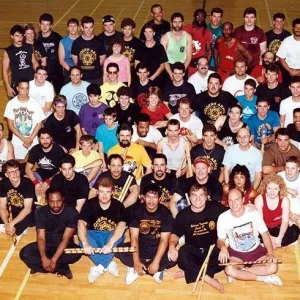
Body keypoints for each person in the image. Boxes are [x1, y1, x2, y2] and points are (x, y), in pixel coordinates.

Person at [217, 188, 283, 287]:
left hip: (256, 251)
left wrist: (270, 254)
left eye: (237, 199)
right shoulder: (223, 217)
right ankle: (263, 278)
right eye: (230, 200)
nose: (233, 203)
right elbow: (220, 240)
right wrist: (222, 247)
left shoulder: (253, 213)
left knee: (273, 267)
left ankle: (242, 272)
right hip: (236, 254)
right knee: (228, 269)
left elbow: (265, 234)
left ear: (243, 199)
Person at [168, 184, 225, 292]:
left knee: (224, 259)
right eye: (194, 195)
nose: (198, 199)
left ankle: (191, 272)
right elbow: (175, 235)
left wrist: (247, 207)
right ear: (189, 197)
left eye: (201, 195)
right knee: (182, 255)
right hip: (192, 250)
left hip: (211, 249)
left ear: (206, 196)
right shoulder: (183, 215)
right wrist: (171, 246)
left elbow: (232, 212)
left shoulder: (215, 208)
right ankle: (208, 278)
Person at [116, 183, 175, 285]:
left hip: (158, 247)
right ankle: (149, 269)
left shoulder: (166, 213)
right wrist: (136, 260)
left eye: (154, 197)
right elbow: (134, 237)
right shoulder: (136, 211)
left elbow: (164, 240)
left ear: (159, 198)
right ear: (143, 197)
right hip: (141, 246)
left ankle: (141, 269)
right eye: (148, 197)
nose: (151, 201)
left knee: (174, 257)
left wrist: (156, 261)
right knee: (119, 250)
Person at [19, 188, 81, 278]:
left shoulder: (72, 213)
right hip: (46, 243)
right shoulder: (40, 212)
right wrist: (43, 257)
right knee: (24, 254)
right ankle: (61, 267)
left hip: (64, 245)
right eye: (52, 201)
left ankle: (43, 267)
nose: (55, 205)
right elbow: (41, 237)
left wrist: (54, 259)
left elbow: (66, 239)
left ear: (63, 199)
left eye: (58, 201)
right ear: (47, 200)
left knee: (77, 254)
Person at [78, 177, 127, 283]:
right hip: (94, 235)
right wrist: (86, 243)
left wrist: (110, 243)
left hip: (111, 235)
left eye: (107, 192)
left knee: (118, 235)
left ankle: (99, 267)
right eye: (101, 192)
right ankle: (108, 263)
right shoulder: (90, 204)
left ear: (112, 192)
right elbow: (81, 223)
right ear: (97, 192)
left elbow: (122, 225)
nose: (104, 195)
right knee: (82, 239)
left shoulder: (119, 205)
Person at [4, 80, 45, 159]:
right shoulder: (11, 104)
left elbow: (39, 123)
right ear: (17, 88)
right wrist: (23, 138)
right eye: (22, 88)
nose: (25, 91)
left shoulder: (34, 103)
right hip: (18, 140)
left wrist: (30, 139)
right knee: (18, 163)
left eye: (27, 88)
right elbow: (10, 125)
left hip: (33, 140)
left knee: (35, 163)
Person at [255, 174, 299, 248]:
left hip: (279, 226)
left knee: (295, 233)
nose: (272, 192)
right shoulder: (259, 199)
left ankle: (290, 225)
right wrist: (269, 238)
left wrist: (279, 238)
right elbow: (260, 223)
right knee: (256, 237)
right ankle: (275, 243)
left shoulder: (285, 200)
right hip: (265, 227)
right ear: (265, 188)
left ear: (279, 189)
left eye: (275, 189)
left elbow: (284, 221)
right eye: (269, 188)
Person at [25, 128, 65, 198]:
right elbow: (27, 169)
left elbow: (62, 170)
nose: (45, 141)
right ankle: (35, 202)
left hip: (55, 176)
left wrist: (48, 181)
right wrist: (36, 183)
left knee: (57, 184)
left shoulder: (58, 150)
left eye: (47, 138)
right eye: (42, 138)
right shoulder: (35, 149)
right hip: (40, 175)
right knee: (25, 178)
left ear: (51, 138)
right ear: (38, 139)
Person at [0, 160, 35, 236]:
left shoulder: (27, 183)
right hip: (13, 210)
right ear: (6, 174)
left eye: (16, 170)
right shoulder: (3, 183)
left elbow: (27, 209)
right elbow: (2, 207)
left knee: (18, 230)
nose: (15, 174)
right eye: (11, 172)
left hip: (27, 211)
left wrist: (12, 223)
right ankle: (6, 226)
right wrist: (7, 224)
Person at [3, 25, 37, 98]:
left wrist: (39, 75)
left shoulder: (30, 47)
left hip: (30, 82)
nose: (20, 38)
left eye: (21, 36)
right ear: (12, 36)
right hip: (17, 83)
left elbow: (34, 62)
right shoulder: (8, 51)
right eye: (17, 36)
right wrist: (8, 87)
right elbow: (5, 70)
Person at [71, 16, 106, 85]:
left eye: (90, 27)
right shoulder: (76, 42)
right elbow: (75, 61)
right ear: (82, 28)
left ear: (93, 27)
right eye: (86, 27)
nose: (88, 30)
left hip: (96, 77)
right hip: (82, 77)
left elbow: (102, 59)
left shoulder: (99, 41)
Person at [233, 7, 267, 71]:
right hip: (239, 66)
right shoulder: (237, 31)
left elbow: (263, 51)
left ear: (255, 19)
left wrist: (261, 66)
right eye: (247, 17)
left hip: (254, 66)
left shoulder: (260, 33)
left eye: (251, 17)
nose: (249, 20)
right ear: (244, 18)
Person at [135, 22, 168, 87]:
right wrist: (143, 77)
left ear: (154, 33)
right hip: (143, 80)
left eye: (150, 32)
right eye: (146, 32)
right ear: (144, 33)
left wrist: (152, 78)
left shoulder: (159, 46)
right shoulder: (140, 47)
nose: (148, 34)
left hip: (157, 79)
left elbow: (162, 66)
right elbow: (136, 64)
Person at [37, 13, 64, 94]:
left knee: (60, 93)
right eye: (42, 24)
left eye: (47, 24)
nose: (44, 27)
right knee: (43, 94)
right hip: (42, 71)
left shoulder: (57, 38)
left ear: (51, 25)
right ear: (39, 24)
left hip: (56, 71)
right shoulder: (36, 38)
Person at [183, 8, 213, 76]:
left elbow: (209, 51)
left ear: (205, 18)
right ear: (194, 17)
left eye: (202, 17)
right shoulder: (186, 29)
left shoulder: (207, 33)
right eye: (198, 16)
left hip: (197, 62)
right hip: (185, 60)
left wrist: (205, 65)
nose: (200, 18)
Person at [278, 156, 300, 224]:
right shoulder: (280, 176)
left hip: (297, 213)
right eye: (287, 168)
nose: (289, 171)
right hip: (283, 211)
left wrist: (299, 216)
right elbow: (269, 187)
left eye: (293, 168)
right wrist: (287, 189)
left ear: (298, 169)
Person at [121, 18, 143, 83]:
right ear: (122, 30)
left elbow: (139, 61)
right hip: (120, 73)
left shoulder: (138, 43)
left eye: (129, 29)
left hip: (133, 74)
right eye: (125, 29)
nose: (127, 31)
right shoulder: (118, 42)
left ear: (133, 29)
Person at [58, 18, 80, 83]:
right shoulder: (63, 42)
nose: (72, 28)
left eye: (75, 26)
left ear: (78, 28)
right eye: (70, 26)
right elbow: (61, 60)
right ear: (67, 28)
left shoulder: (82, 40)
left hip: (81, 69)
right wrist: (71, 70)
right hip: (68, 70)